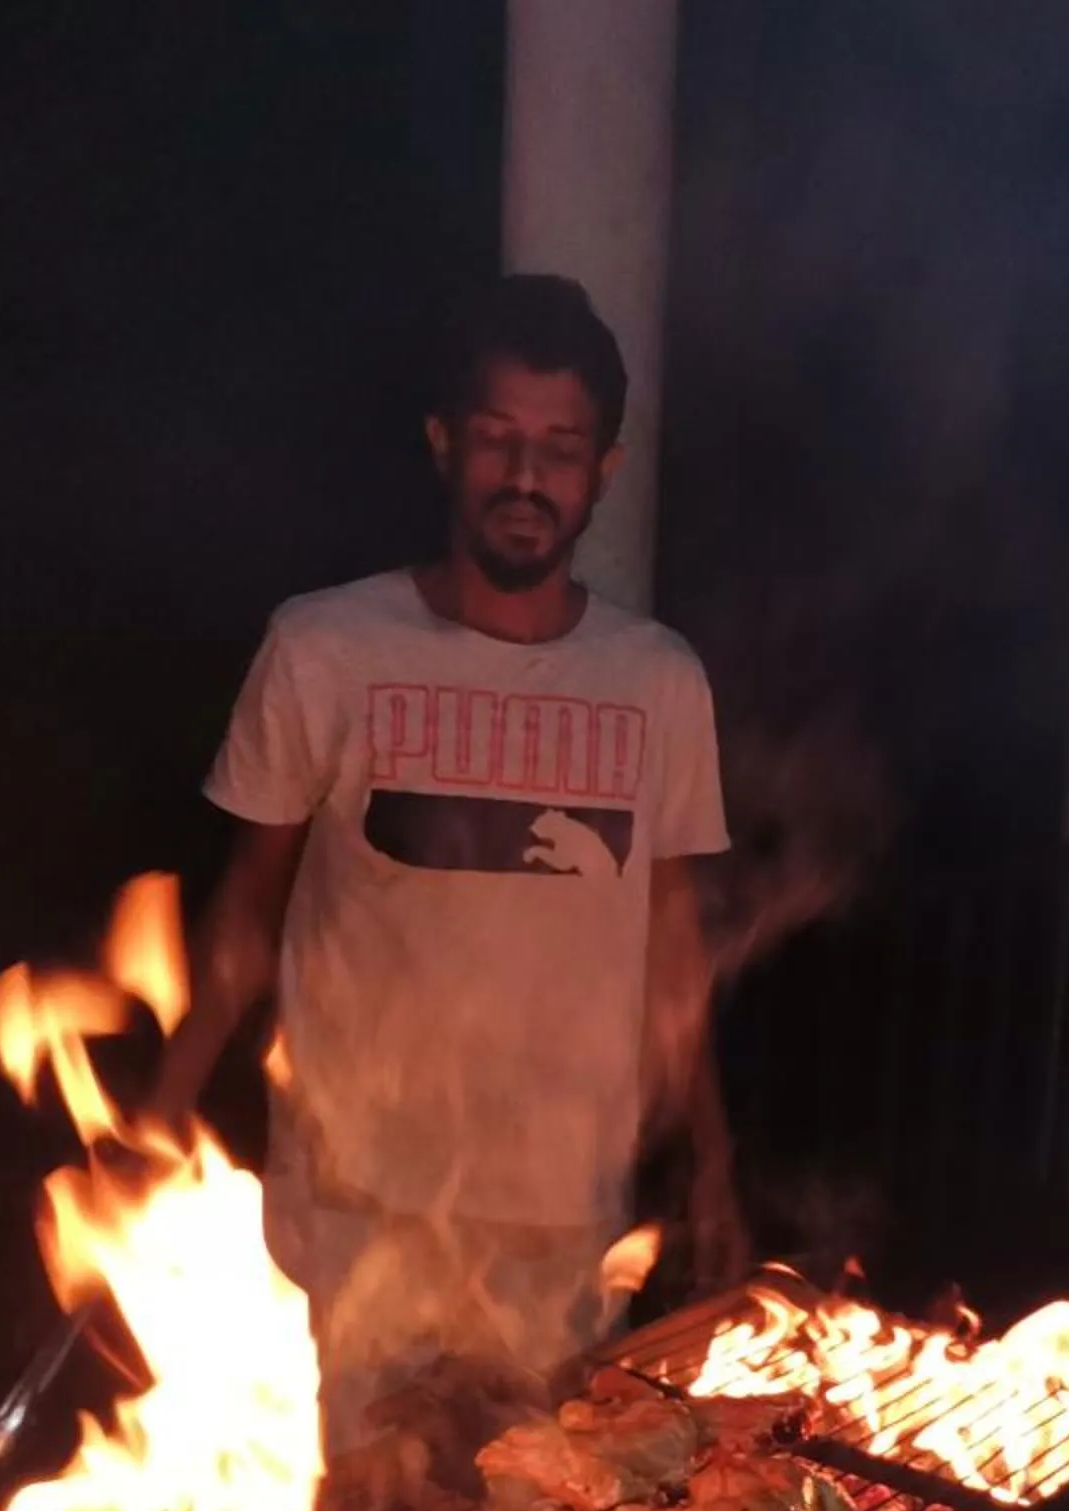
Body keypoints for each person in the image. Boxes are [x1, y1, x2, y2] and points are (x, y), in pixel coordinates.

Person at [148, 275, 746, 1451]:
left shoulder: (658, 680)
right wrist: (155, 1118)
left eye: (561, 447)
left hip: (560, 1221)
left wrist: (713, 1157)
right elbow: (245, 913)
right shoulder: (324, 648)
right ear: (445, 445)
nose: (528, 476)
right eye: (498, 439)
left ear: (602, 472)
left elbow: (672, 945)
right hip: (355, 1210)